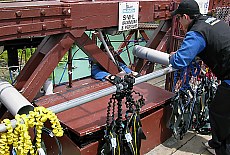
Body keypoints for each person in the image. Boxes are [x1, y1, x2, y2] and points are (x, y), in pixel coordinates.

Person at [169, 0, 230, 154]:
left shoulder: (196, 32)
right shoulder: (214, 21)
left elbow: (179, 61)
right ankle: (217, 143)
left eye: (179, 19)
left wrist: (173, 56)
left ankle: (222, 149)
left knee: (219, 113)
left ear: (185, 17)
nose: (179, 23)